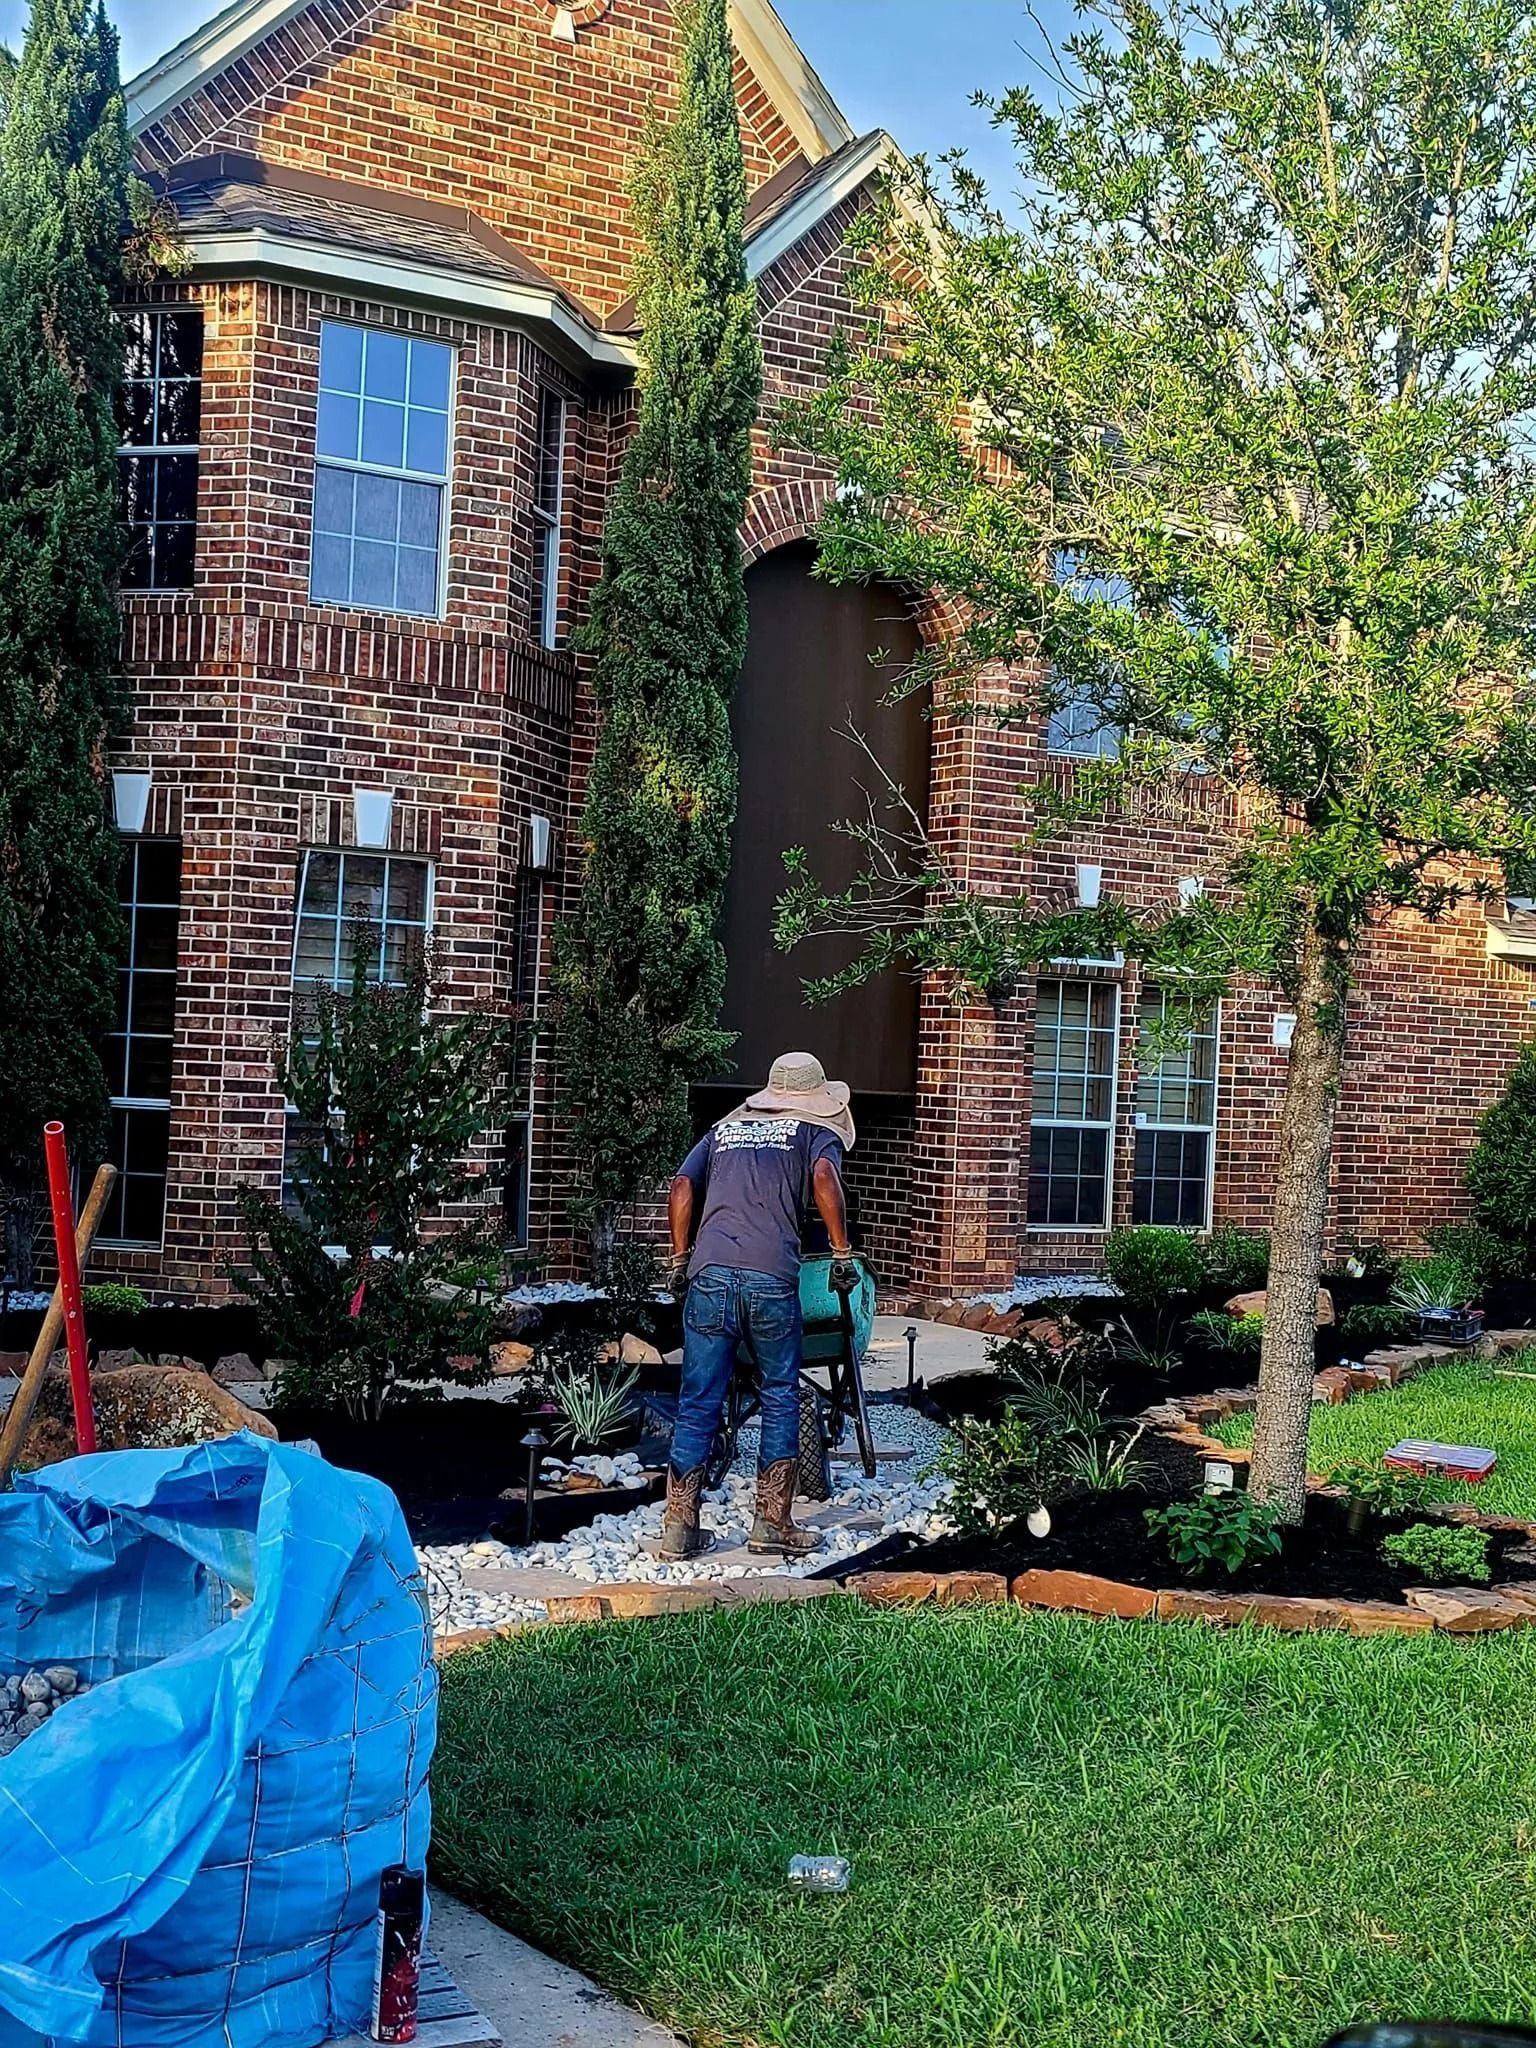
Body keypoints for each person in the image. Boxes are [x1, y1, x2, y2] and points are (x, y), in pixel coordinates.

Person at [661, 1052, 859, 1562]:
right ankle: (771, 1523)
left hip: (709, 1274)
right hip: (770, 1278)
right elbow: (823, 1179)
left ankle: (679, 1528)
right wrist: (841, 1251)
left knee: (698, 1398)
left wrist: (680, 1258)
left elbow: (682, 1186)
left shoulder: (724, 1130)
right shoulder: (815, 1133)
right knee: (779, 1393)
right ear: (817, 1098)